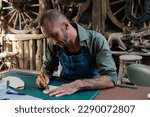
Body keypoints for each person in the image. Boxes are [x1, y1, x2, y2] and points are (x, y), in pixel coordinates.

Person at [36, 9, 118, 97]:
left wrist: (77, 85)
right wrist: (44, 77)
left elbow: (111, 78)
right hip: (63, 89)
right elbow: (48, 67)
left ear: (66, 25)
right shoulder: (54, 43)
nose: (53, 42)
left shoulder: (96, 40)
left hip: (90, 92)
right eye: (47, 37)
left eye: (54, 35)